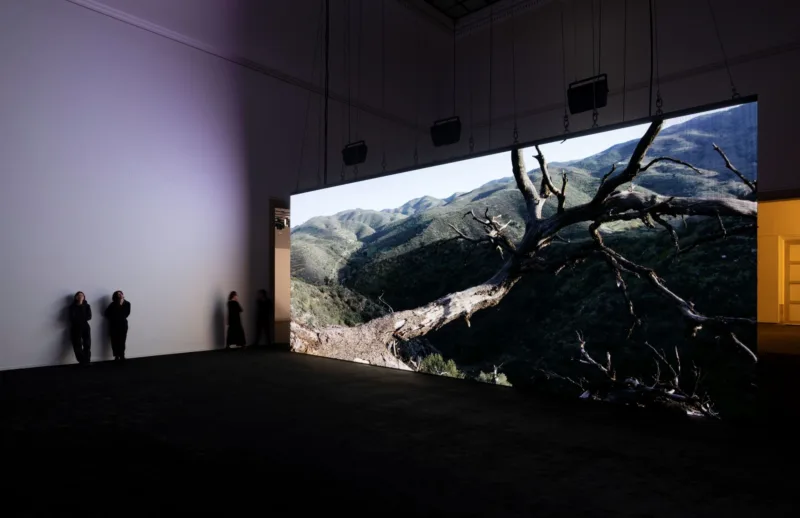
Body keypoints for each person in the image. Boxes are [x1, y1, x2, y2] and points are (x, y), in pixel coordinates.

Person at [104, 290, 131, 360]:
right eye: (118, 294)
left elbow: (126, 314)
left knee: (122, 340)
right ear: (116, 296)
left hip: (123, 324)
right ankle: (116, 355)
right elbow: (106, 313)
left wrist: (119, 310)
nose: (120, 295)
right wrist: (114, 317)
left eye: (121, 293)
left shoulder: (127, 303)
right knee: (114, 340)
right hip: (114, 325)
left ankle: (122, 355)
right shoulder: (112, 304)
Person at [69, 291, 92, 365]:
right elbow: (71, 318)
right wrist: (80, 318)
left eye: (82, 295)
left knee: (87, 344)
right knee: (77, 344)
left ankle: (87, 361)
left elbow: (89, 317)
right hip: (76, 327)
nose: (80, 296)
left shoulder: (87, 306)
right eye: (79, 295)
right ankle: (82, 361)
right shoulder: (72, 307)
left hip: (85, 326)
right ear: (76, 297)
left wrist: (82, 305)